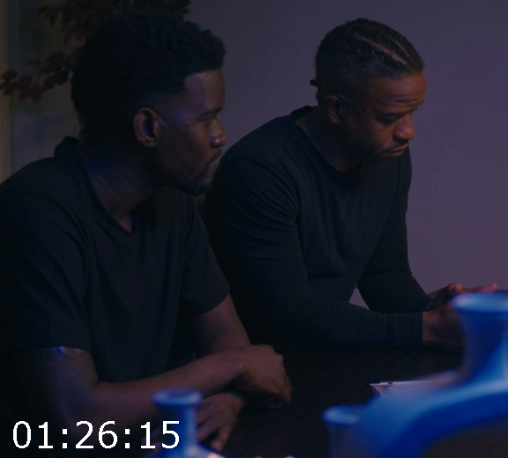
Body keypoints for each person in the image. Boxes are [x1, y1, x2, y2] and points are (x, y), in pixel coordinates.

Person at [0, 12, 291, 455]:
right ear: (147, 127)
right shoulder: (37, 210)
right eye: (206, 119)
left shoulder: (171, 202)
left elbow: (229, 341)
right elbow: (76, 420)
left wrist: (229, 399)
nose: (220, 136)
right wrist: (233, 368)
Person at [203, 18, 494, 350]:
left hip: (324, 355)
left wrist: (434, 312)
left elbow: (385, 275)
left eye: (413, 112)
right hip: (261, 362)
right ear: (336, 108)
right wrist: (425, 327)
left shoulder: (387, 157)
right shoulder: (259, 169)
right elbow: (288, 314)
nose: (408, 132)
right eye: (389, 118)